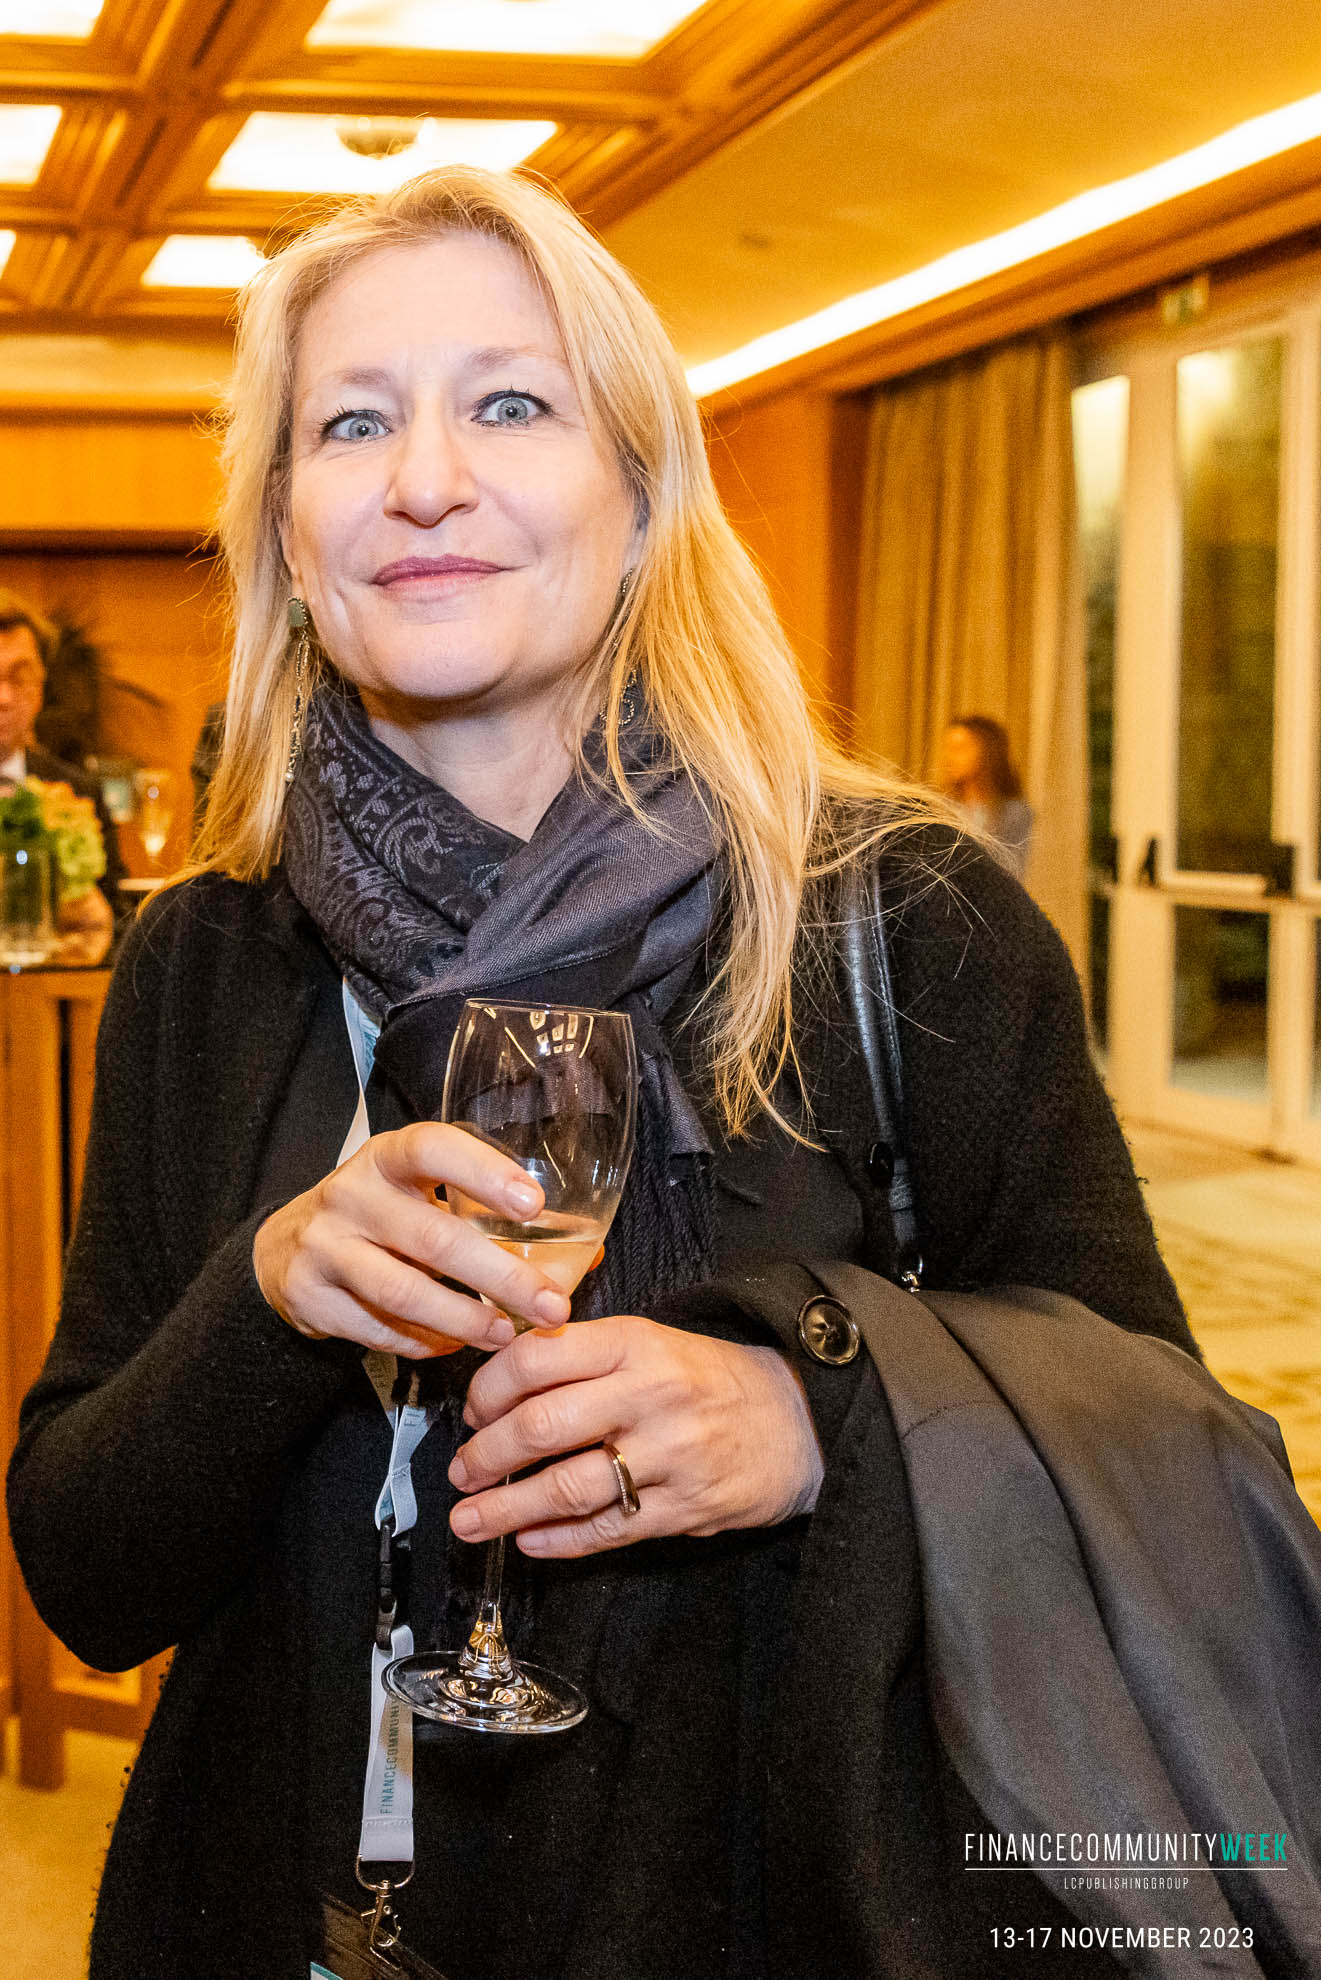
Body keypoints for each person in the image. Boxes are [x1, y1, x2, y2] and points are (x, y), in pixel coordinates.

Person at [7, 169, 1198, 1980]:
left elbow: (1157, 1441)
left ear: (640, 497)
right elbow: (88, 1579)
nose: (423, 479)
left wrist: (821, 1416)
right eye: (351, 424)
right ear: (287, 540)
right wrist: (269, 1298)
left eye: (509, 403)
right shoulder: (208, 960)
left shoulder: (904, 920)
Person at [0, 591, 122, 949]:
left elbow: (119, 913)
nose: (4, 698)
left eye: (19, 677)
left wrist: (99, 920)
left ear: (41, 687)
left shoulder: (78, 792)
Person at [938, 712, 1033, 878]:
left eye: (960, 749)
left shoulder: (1013, 813)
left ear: (986, 752)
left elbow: (1012, 871)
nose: (950, 758)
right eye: (949, 749)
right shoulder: (941, 807)